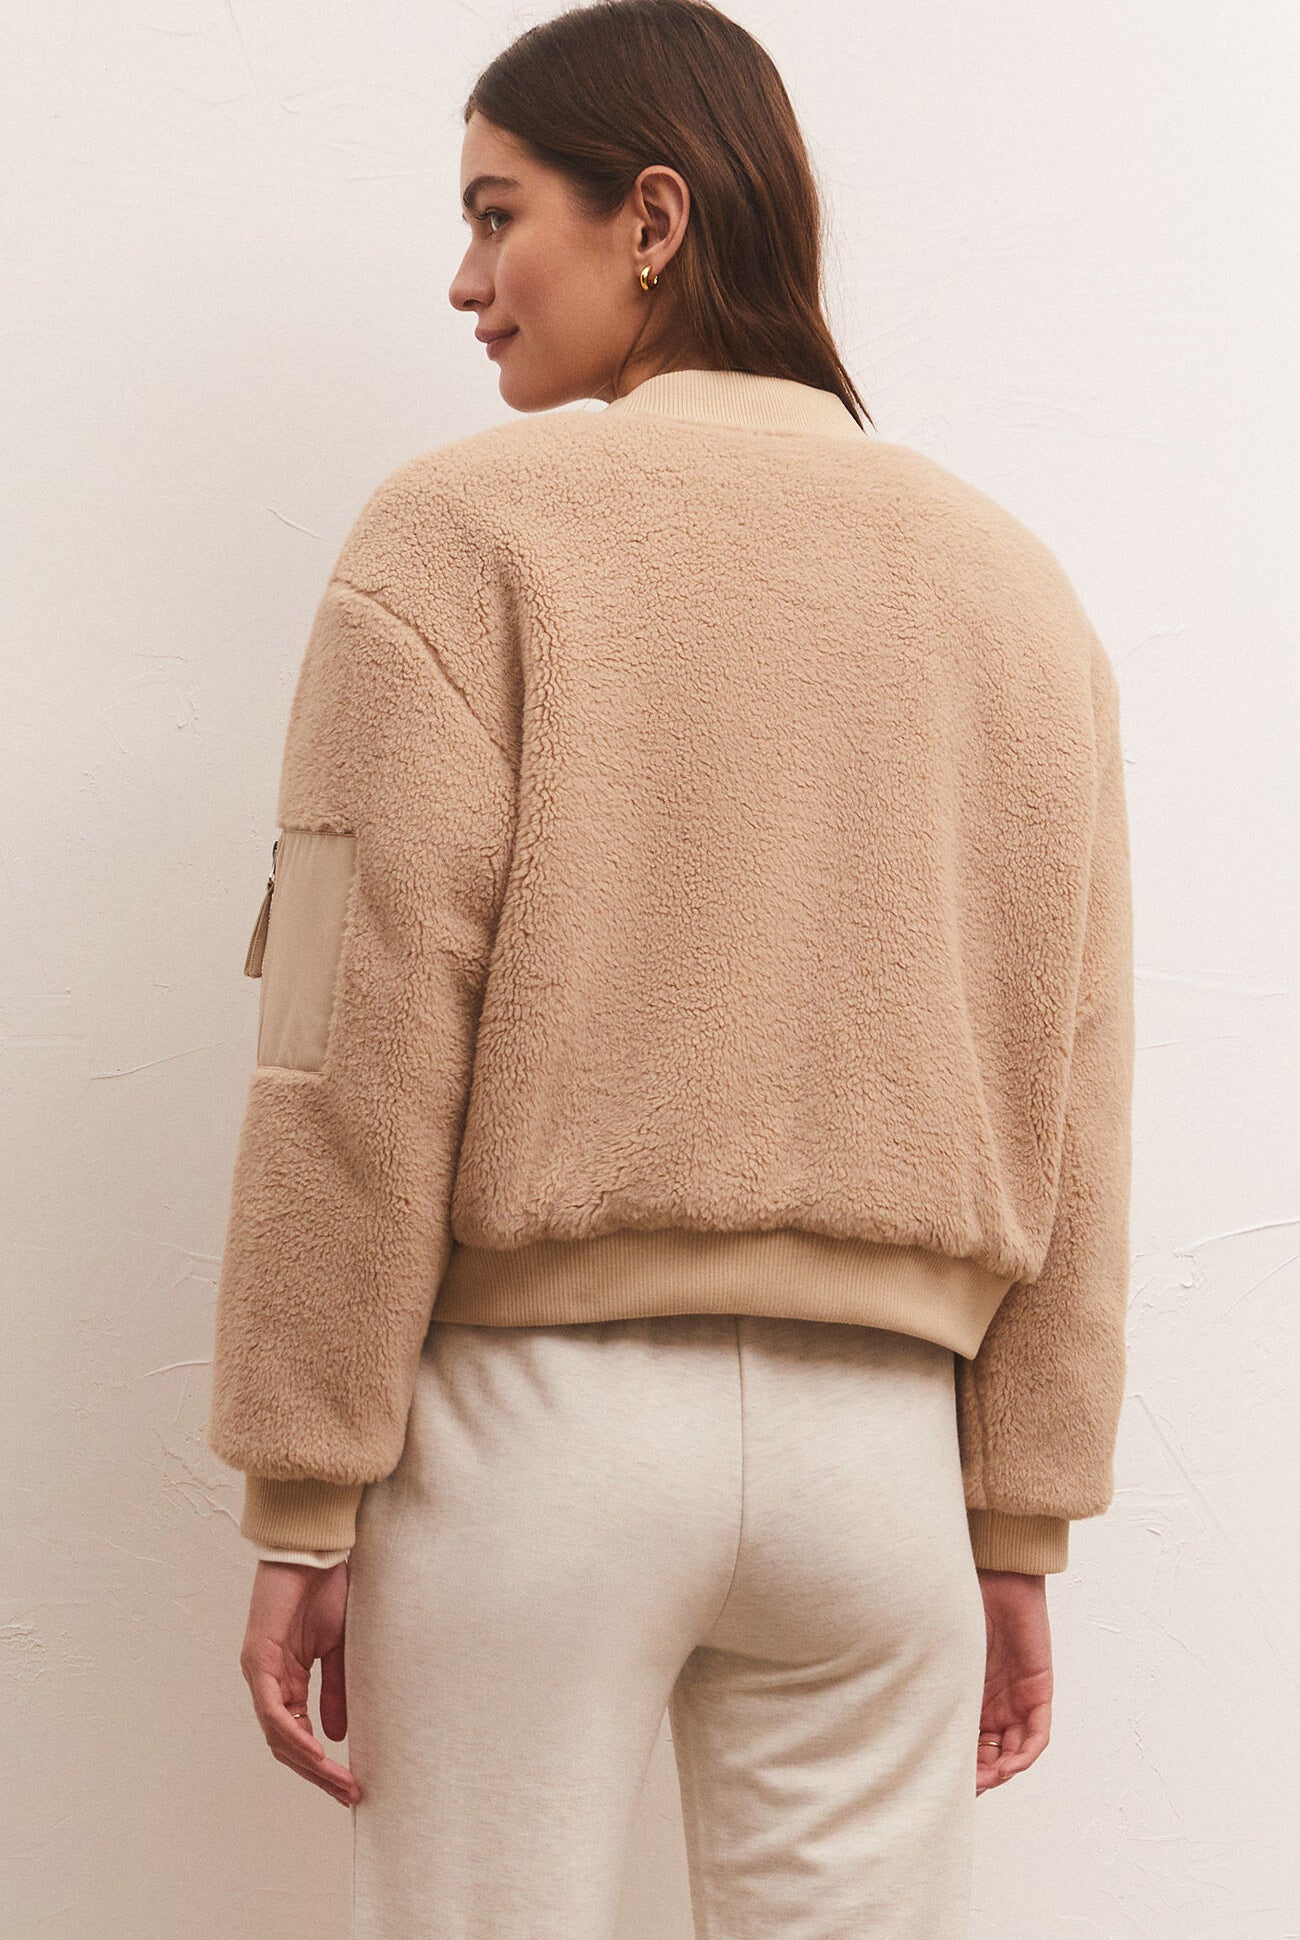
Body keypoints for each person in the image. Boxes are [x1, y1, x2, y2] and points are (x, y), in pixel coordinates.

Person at [205, 3, 1135, 1934]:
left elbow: (342, 1037)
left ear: (652, 216)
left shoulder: (457, 535)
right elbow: (1079, 1082)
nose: (465, 279)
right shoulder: (1014, 589)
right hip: (885, 1466)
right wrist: (1017, 1516)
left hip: (531, 1443)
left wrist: (303, 1485)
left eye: (496, 214)